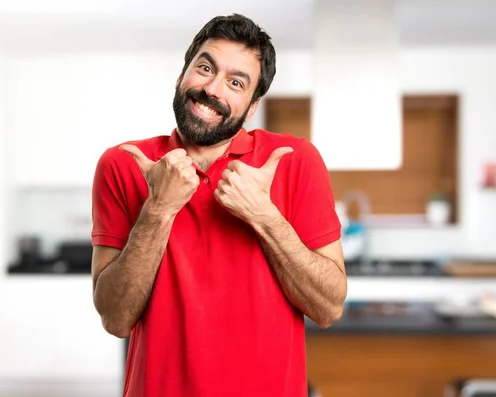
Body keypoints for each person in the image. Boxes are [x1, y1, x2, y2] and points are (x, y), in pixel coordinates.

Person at [90, 13, 347, 397]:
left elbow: (328, 309)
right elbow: (115, 317)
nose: (212, 89)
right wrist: (158, 209)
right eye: (205, 67)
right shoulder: (125, 163)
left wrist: (265, 216)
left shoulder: (294, 160)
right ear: (182, 76)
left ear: (252, 105)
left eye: (235, 82)